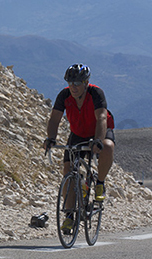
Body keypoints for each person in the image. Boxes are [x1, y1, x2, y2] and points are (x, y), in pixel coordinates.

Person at [43, 63, 115, 232]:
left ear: (86, 82)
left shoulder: (96, 93)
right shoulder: (64, 96)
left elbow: (102, 118)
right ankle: (69, 216)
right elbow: (54, 119)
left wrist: (98, 140)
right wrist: (51, 138)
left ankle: (100, 183)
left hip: (99, 130)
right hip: (78, 134)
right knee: (68, 170)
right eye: (70, 83)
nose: (73, 87)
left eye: (77, 83)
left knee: (107, 147)